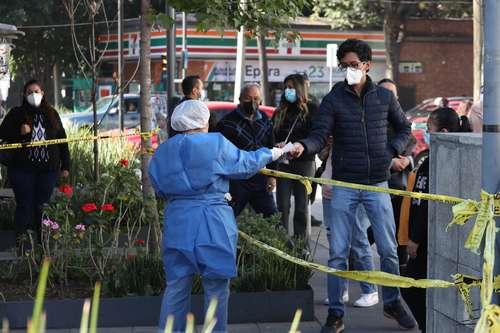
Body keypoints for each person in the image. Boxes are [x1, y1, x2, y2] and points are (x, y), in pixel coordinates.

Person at [289, 39, 415, 332]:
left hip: (377, 184)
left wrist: (391, 150)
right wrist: (301, 147)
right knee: (337, 252)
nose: (349, 70)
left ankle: (392, 301)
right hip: (344, 184)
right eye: (344, 65)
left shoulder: (384, 98)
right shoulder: (334, 98)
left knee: (388, 249)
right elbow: (319, 135)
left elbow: (405, 128)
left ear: (367, 65)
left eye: (353, 65)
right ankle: (335, 314)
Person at [149, 100, 290, 333]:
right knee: (216, 288)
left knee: (176, 286)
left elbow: (159, 187)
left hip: (177, 221)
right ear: (203, 121)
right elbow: (245, 164)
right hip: (212, 220)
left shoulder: (163, 150)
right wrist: (275, 151)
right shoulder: (214, 144)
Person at [401, 107, 471, 333]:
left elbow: (428, 206)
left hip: (429, 239)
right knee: (414, 286)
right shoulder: (431, 159)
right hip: (424, 239)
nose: (426, 133)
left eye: (429, 129)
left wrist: (414, 239)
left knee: (410, 286)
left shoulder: (441, 162)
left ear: (442, 131)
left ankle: (427, 326)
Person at [0, 79, 70, 248]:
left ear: (43, 93)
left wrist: (65, 166)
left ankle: (42, 243)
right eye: (30, 92)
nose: (33, 95)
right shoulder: (17, 114)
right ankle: (21, 244)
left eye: (36, 91)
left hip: (48, 170)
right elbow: (3, 133)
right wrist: (20, 132)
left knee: (42, 205)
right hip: (22, 170)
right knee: (24, 204)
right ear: (24, 95)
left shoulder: (52, 114)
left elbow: (62, 141)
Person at [321, 137, 379, 309]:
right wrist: (327, 145)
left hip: (352, 192)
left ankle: (370, 290)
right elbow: (323, 155)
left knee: (358, 240)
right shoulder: (331, 127)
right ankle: (340, 291)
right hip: (329, 191)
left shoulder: (357, 127)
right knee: (335, 243)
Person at [215, 84, 278, 217]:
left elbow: (271, 147)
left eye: (256, 98)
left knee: (272, 219)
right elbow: (219, 153)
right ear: (240, 98)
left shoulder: (265, 120)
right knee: (228, 216)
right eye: (248, 98)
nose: (253, 102)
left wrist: (272, 176)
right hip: (236, 181)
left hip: (260, 178)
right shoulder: (227, 123)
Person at [273, 74, 318, 239]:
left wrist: (299, 146)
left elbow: (316, 136)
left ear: (299, 88)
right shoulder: (280, 111)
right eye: (285, 87)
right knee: (282, 206)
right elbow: (273, 135)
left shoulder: (312, 109)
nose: (287, 91)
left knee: (301, 207)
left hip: (305, 163)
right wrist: (277, 145)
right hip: (283, 163)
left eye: (291, 87)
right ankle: (283, 244)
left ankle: (301, 247)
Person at [378, 78, 417, 270]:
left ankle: (401, 265)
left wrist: (406, 160)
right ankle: (355, 256)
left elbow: (412, 147)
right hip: (376, 181)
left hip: (399, 184)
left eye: (392, 93)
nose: (388, 97)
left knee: (399, 224)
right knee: (377, 225)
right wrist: (390, 161)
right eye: (384, 92)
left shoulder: (402, 119)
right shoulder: (372, 120)